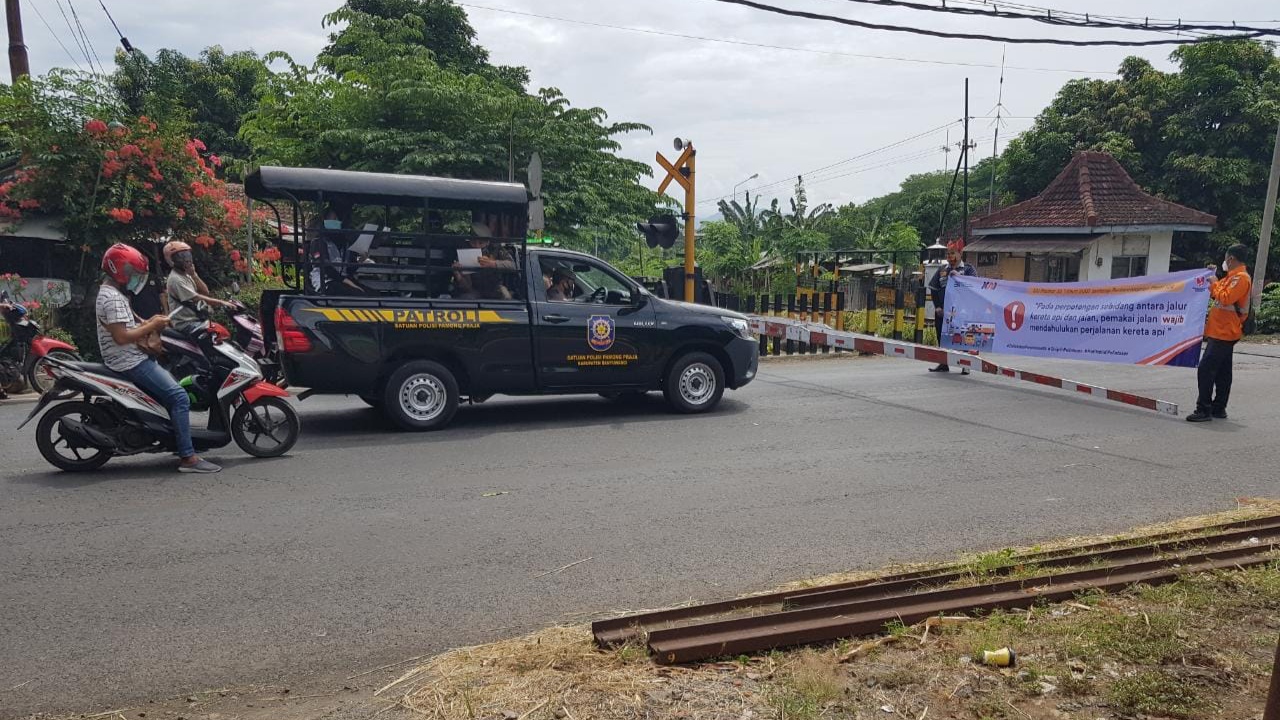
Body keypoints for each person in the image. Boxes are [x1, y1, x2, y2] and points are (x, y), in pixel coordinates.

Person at [97, 243, 220, 473]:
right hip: (129, 360)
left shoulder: (111, 293)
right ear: (119, 270)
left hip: (128, 356)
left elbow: (126, 326)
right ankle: (188, 458)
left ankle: (179, 439)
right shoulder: (112, 298)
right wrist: (153, 324)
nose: (135, 278)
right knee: (180, 398)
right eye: (132, 273)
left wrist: (150, 321)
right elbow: (122, 337)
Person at [1187, 244, 1252, 423]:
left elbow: (1224, 297)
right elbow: (1218, 290)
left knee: (1206, 370)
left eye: (1225, 258)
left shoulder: (1241, 278)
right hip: (1221, 330)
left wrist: (1215, 282)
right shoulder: (1232, 277)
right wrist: (1212, 276)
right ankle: (1218, 408)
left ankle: (1204, 409)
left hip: (1225, 332)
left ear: (1230, 259)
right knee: (1223, 372)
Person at [163, 240, 235, 336]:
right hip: (186, 324)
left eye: (187, 255)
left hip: (197, 319)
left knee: (221, 334)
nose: (186, 259)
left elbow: (205, 291)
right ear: (171, 260)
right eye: (181, 257)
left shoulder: (186, 275)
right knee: (216, 336)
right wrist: (221, 302)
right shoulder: (176, 280)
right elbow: (196, 297)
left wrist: (194, 275)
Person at [928, 239, 977, 374]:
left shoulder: (968, 269)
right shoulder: (942, 270)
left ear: (960, 254)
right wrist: (937, 306)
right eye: (948, 254)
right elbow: (933, 288)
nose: (950, 257)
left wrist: (960, 277)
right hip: (944, 313)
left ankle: (966, 365)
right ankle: (944, 363)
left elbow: (974, 287)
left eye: (952, 253)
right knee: (942, 338)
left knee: (964, 338)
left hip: (962, 313)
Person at [308, 206, 364, 295]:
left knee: (373, 294)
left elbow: (348, 270)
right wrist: (347, 282)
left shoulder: (345, 244)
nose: (333, 221)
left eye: (336, 219)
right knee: (355, 293)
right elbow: (326, 268)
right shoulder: (318, 242)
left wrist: (360, 261)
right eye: (331, 219)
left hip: (343, 281)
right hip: (325, 282)